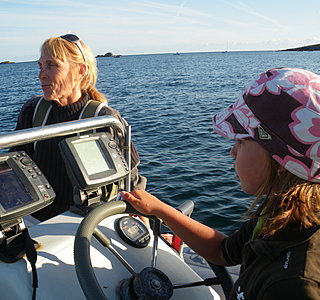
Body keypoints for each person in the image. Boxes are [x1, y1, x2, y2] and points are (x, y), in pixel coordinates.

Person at [121, 67, 320, 299]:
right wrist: (159, 209)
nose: (232, 152)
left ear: (280, 158)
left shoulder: (295, 285)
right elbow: (224, 251)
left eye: (242, 142)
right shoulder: (283, 210)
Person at [12, 33, 146, 221]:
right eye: (40, 66)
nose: (41, 74)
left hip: (84, 223)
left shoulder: (104, 120)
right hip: (34, 220)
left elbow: (131, 185)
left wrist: (146, 229)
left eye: (52, 65)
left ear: (80, 71)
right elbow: (12, 170)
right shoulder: (32, 111)